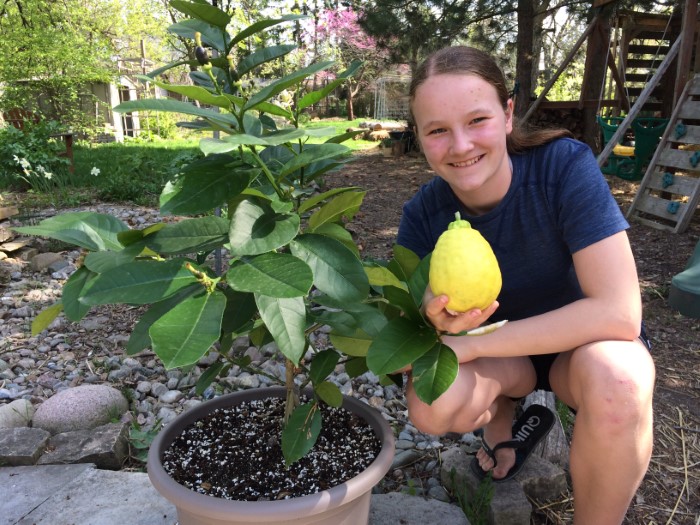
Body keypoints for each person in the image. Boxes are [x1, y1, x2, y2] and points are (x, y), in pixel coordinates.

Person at [396, 46, 655, 524]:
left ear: (508, 113)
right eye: (437, 130)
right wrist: (431, 319)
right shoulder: (423, 216)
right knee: (434, 407)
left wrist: (469, 346)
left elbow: (620, 312)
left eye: (477, 120)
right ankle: (503, 409)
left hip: (579, 347)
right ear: (419, 136)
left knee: (621, 382)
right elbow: (412, 349)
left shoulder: (562, 167)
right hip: (505, 363)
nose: (460, 146)